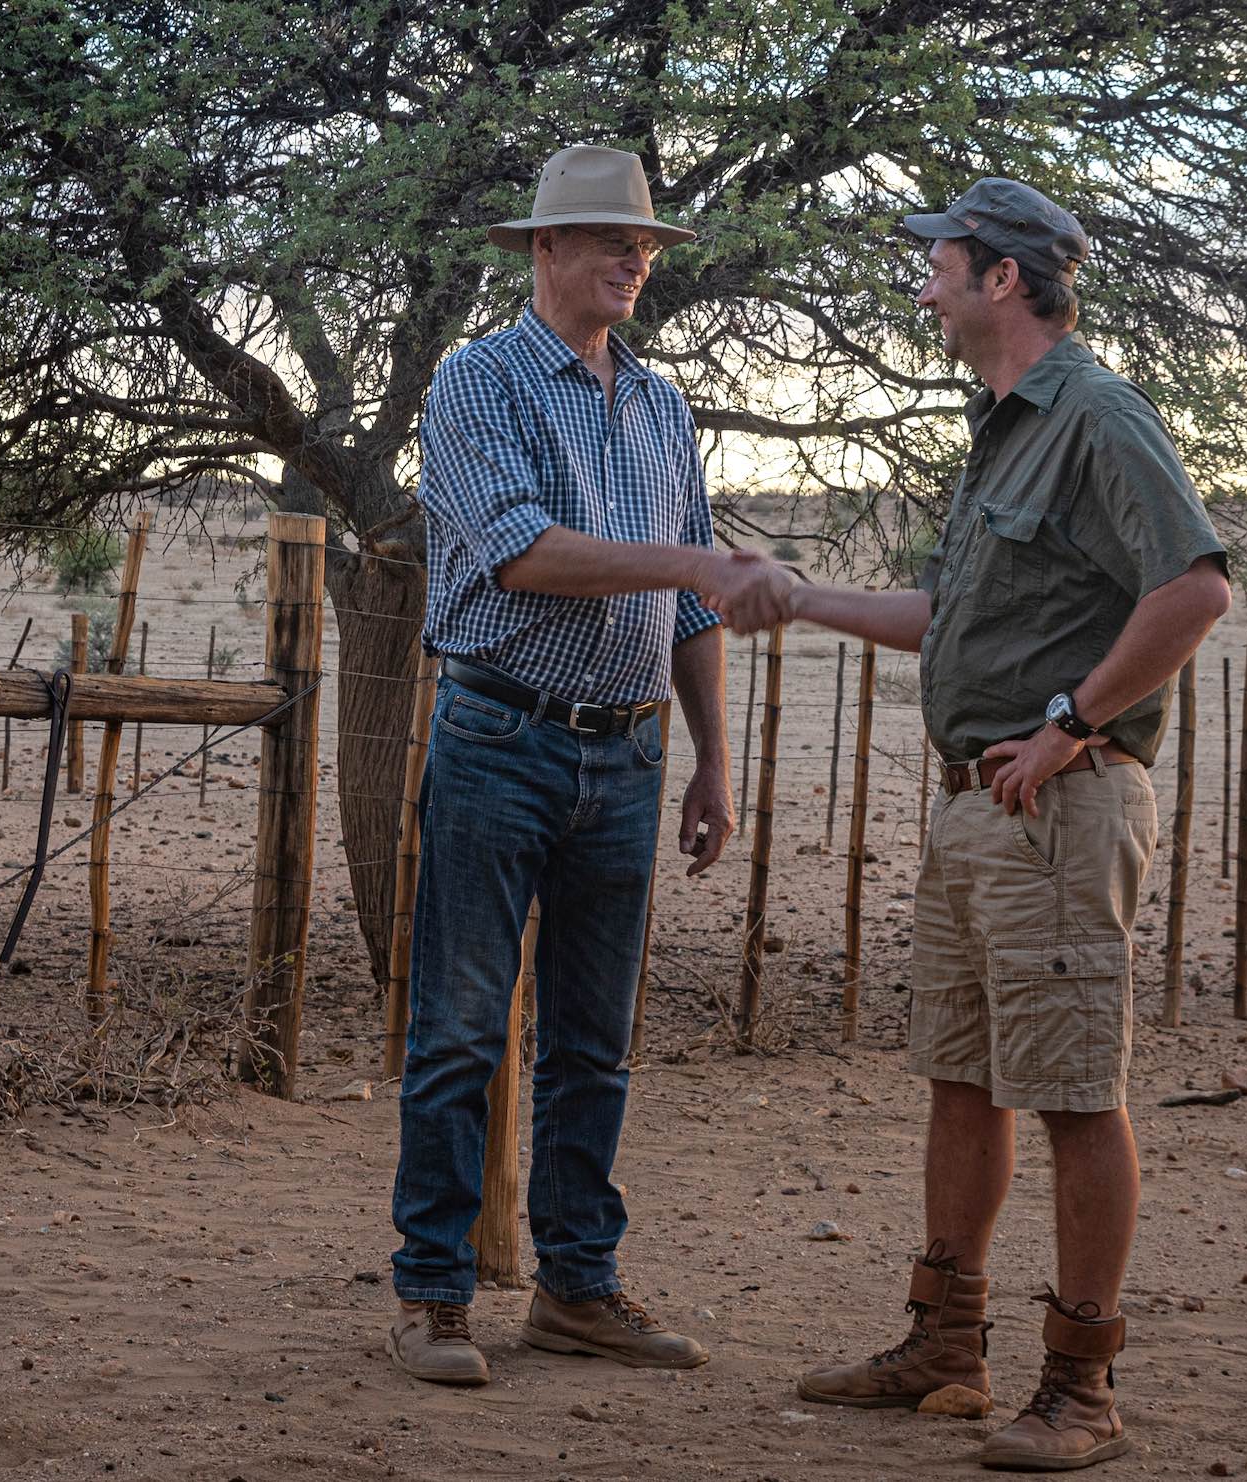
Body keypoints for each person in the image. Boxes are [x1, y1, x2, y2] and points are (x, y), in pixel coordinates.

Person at [754, 178, 1232, 1470]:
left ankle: (1081, 1386)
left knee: (1076, 1087)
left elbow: (1194, 589)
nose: (924, 277)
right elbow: (944, 617)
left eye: (940, 259)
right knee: (962, 1077)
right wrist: (800, 596)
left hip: (1060, 806)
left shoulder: (1096, 413)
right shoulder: (1002, 426)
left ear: (1002, 278)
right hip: (980, 807)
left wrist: (1073, 720)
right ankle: (943, 1340)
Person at [385, 143, 792, 1387]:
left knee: (592, 1042)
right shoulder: (476, 385)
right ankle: (434, 1296)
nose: (634, 260)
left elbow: (691, 610)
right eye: (612, 241)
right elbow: (517, 554)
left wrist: (713, 758)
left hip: (624, 755)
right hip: (499, 736)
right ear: (543, 252)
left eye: (647, 245)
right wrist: (689, 564)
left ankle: (575, 1289)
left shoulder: (661, 405)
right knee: (460, 1028)